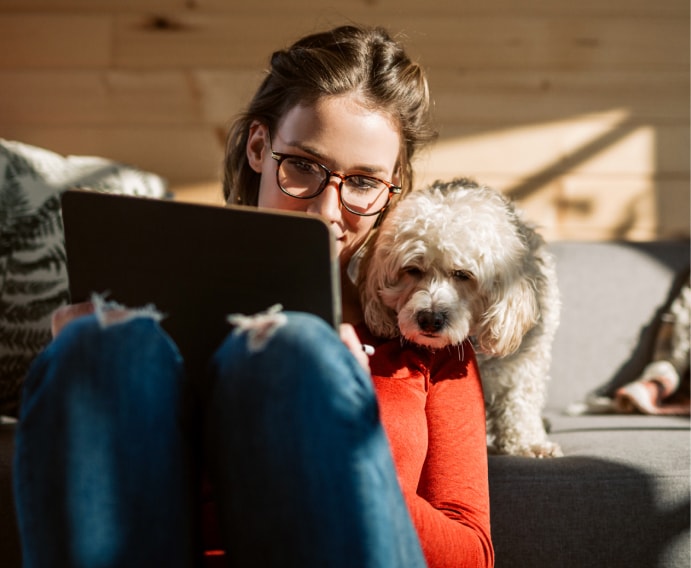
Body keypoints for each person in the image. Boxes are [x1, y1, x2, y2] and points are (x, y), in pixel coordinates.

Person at [13, 25, 494, 568]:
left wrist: (345, 435)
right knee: (97, 349)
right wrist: (82, 373)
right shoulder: (147, 324)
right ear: (260, 147)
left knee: (292, 354)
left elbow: (472, 553)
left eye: (363, 182)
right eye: (305, 167)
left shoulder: (429, 342)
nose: (326, 212)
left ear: (393, 190)